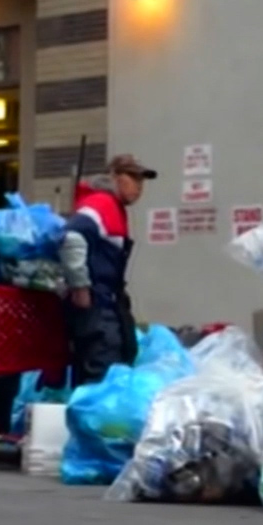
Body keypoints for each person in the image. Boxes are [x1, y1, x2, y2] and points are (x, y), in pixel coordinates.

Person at [59, 154, 156, 386]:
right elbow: (71, 237)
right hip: (98, 309)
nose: (138, 186)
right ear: (113, 176)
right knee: (102, 375)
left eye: (141, 180)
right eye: (132, 177)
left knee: (113, 367)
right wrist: (80, 287)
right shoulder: (101, 205)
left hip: (108, 306)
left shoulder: (112, 207)